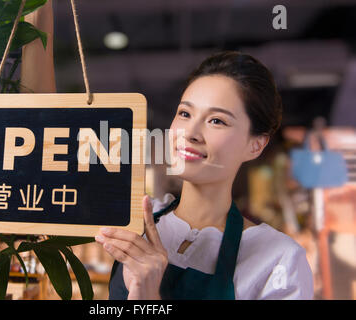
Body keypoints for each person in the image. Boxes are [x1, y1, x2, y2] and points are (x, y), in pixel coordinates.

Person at [22, 3, 314, 300]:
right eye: (185, 114)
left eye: (217, 120)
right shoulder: (132, 218)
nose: (190, 133)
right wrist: (37, 14)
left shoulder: (278, 261)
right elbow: (38, 135)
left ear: (256, 144)